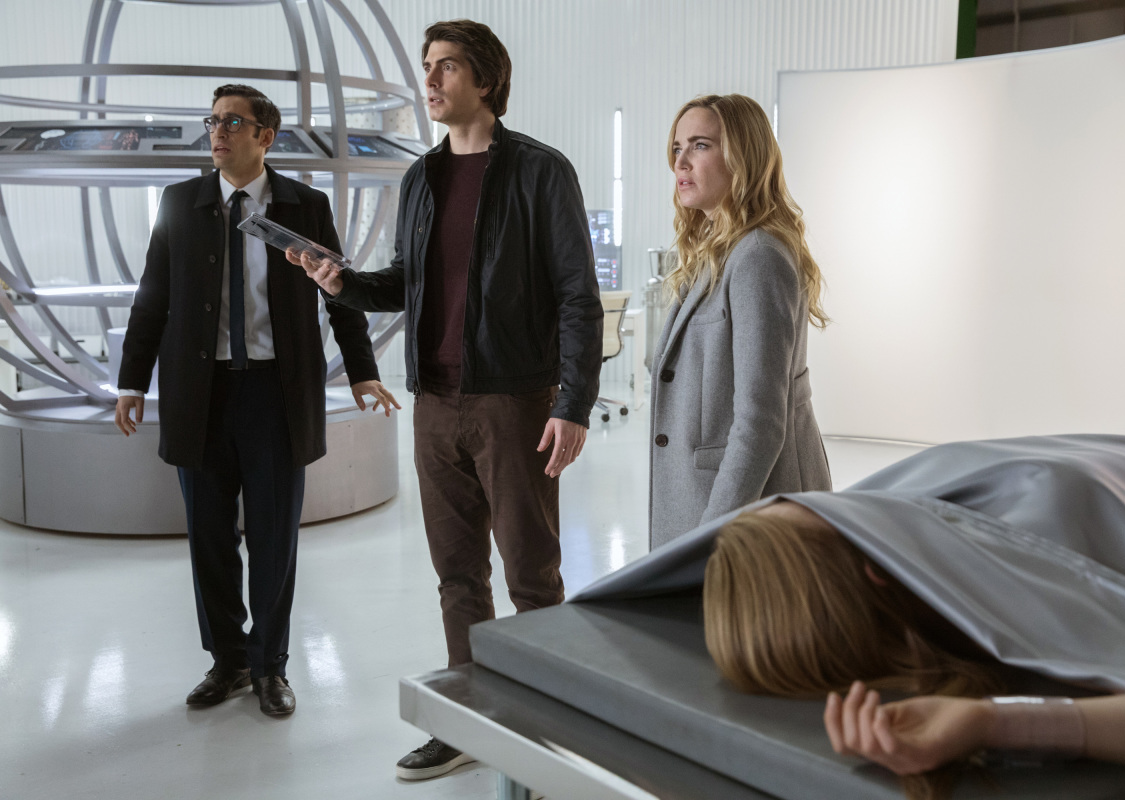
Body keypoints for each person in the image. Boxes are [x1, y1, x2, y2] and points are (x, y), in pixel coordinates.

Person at [294, 19, 602, 781]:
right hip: (433, 402)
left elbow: (577, 295)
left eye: (448, 67)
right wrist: (343, 283)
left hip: (513, 401)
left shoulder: (541, 172)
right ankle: (472, 719)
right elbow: (406, 281)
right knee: (458, 576)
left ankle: (545, 727)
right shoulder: (421, 178)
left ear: (486, 80)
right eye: (426, 65)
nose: (430, 80)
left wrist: (573, 403)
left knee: (532, 577)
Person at [115, 84, 398, 718]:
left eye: (232, 122)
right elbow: (152, 296)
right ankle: (229, 661)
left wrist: (361, 371)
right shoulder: (180, 202)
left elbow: (340, 292)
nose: (217, 132)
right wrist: (132, 382)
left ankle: (271, 665)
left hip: (276, 394)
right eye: (212, 120)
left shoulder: (305, 205)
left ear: (265, 137)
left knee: (274, 539)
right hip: (199, 394)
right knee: (209, 540)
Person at [701, 435, 1125, 798]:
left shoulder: (921, 526)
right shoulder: (1019, 585)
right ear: (876, 563)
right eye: (826, 511)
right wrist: (990, 722)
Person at [650, 94, 831, 550]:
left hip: (746, 511)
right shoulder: (717, 250)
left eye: (700, 146)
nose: (681, 163)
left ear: (742, 156)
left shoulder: (757, 258)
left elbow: (760, 421)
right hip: (715, 499)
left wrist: (710, 538)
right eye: (677, 148)